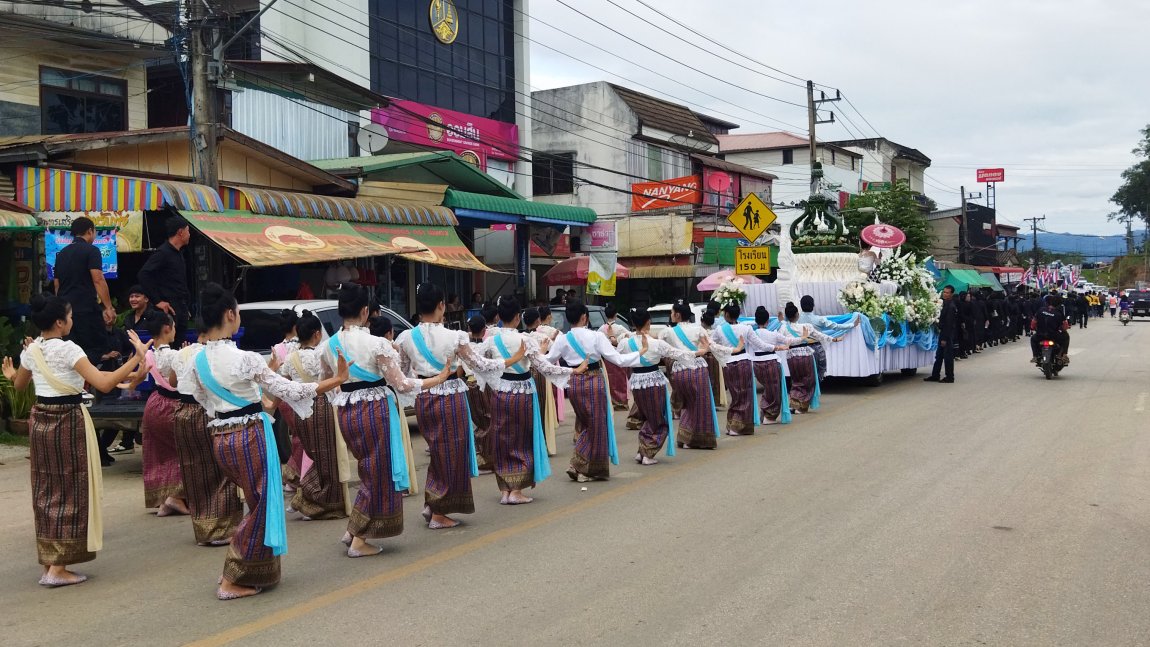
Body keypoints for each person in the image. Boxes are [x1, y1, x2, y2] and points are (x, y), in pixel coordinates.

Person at [182, 283, 351, 600]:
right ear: (230, 314)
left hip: (221, 436)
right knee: (262, 503)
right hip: (249, 437)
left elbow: (202, 397)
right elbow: (293, 391)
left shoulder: (197, 360)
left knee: (254, 502)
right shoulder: (244, 358)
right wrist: (337, 380)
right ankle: (234, 574)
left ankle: (246, 566)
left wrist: (242, 408)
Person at [2, 293, 150, 588]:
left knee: (46, 489)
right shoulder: (69, 349)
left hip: (41, 420)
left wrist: (9, 372)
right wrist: (136, 357)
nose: (72, 321)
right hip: (68, 420)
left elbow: (19, 385)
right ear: (59, 322)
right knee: (71, 488)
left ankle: (50, 561)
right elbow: (104, 383)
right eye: (69, 317)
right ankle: (58, 568)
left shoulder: (33, 350)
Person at [321, 286, 452, 558]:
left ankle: (353, 530)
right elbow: (402, 384)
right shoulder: (377, 344)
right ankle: (359, 539)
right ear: (365, 311)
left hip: (346, 410)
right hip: (374, 410)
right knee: (377, 473)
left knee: (367, 471)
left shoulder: (328, 346)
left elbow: (329, 382)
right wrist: (437, 380)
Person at [393, 283, 517, 529]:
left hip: (424, 397)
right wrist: (510, 360)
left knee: (437, 452)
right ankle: (439, 512)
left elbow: (404, 373)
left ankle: (433, 501)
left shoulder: (406, 337)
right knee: (452, 454)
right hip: (450, 397)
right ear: (442, 306)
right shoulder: (455, 336)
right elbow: (479, 364)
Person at [473, 296, 579, 503]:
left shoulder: (490, 340)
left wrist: (487, 381)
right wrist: (573, 370)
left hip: (499, 392)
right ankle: (516, 491)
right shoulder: (526, 340)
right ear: (516, 317)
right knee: (521, 440)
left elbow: (477, 364)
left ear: (500, 317)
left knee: (502, 440)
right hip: (522, 394)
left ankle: (505, 490)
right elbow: (545, 367)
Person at [544, 300, 646, 482]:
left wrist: (540, 352)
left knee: (585, 423)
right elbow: (618, 360)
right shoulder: (596, 337)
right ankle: (579, 466)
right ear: (584, 317)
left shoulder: (562, 339)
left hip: (574, 382)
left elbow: (547, 361)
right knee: (596, 425)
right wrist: (641, 352)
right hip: (593, 381)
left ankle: (585, 467)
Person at [277, 310, 348, 520]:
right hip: (321, 406)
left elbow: (283, 383)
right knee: (327, 457)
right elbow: (336, 379)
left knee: (312, 453)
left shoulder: (290, 358)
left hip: (300, 411)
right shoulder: (323, 354)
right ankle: (316, 501)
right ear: (317, 334)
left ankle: (310, 497)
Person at [620, 307, 707, 464]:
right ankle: (648, 453)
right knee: (660, 420)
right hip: (654, 383)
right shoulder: (656, 343)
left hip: (637, 383)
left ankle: (642, 450)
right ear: (649, 322)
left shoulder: (625, 343)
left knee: (648, 416)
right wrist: (701, 352)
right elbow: (678, 354)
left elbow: (617, 357)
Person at [132, 310, 189, 517]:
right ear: (167, 328)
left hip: (154, 404)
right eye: (173, 326)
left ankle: (164, 500)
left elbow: (138, 376)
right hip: (172, 405)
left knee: (159, 454)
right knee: (183, 450)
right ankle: (176, 496)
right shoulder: (174, 355)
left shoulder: (149, 354)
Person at [659, 300, 724, 450]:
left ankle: (685, 437)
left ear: (677, 315)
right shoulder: (698, 329)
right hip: (698, 368)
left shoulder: (668, 331)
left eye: (671, 312)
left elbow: (657, 346)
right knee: (700, 404)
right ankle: (697, 439)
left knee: (687, 404)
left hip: (679, 371)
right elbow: (710, 346)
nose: (671, 315)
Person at [712, 302, 783, 435]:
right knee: (745, 395)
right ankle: (738, 427)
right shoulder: (746, 328)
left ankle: (732, 424)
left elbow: (712, 344)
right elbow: (760, 344)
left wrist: (723, 354)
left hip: (728, 363)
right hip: (743, 363)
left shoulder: (719, 329)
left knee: (735, 395)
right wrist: (775, 347)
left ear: (726, 314)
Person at [53, 217, 115, 363]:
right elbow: (98, 279)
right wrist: (108, 307)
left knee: (71, 353)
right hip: (86, 310)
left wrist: (60, 308)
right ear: (90, 231)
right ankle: (97, 382)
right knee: (97, 351)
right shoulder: (92, 251)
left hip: (65, 312)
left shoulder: (61, 254)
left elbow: (57, 285)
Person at [138, 216, 192, 346]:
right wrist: (157, 301)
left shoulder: (178, 253)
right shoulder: (163, 253)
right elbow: (143, 274)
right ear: (180, 232)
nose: (189, 235)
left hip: (180, 308)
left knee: (180, 347)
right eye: (188, 231)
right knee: (169, 347)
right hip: (168, 310)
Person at [778, 303, 842, 412]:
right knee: (809, 380)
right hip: (805, 355)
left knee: (796, 380)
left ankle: (794, 404)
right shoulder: (806, 326)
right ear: (797, 315)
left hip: (791, 356)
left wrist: (782, 322)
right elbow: (820, 336)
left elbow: (780, 338)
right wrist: (834, 339)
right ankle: (802, 406)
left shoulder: (783, 327)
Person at [271, 309, 305, 492]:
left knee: (297, 437)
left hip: (284, 400)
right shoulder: (300, 347)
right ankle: (293, 476)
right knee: (302, 439)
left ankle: (295, 475)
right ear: (295, 326)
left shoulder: (277, 348)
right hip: (299, 397)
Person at [750, 306, 799, 424]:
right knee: (774, 390)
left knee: (768, 389)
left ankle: (764, 413)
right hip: (771, 363)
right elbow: (789, 340)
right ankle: (769, 416)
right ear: (768, 321)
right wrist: (802, 337)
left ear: (756, 321)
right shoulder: (772, 334)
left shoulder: (751, 333)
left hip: (756, 365)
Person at [797, 295, 858, 381]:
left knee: (803, 374)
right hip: (816, 348)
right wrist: (852, 324)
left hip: (800, 349)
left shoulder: (797, 319)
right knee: (819, 373)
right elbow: (836, 326)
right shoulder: (818, 319)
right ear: (813, 305)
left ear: (801, 305)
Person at [599, 303, 632, 411]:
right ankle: (621, 402)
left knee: (609, 379)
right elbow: (629, 336)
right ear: (616, 315)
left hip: (607, 358)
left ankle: (610, 402)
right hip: (619, 356)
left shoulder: (601, 329)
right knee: (621, 380)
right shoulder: (620, 328)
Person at [925, 286, 959, 383]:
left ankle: (949, 377)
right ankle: (935, 375)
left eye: (947, 293)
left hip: (947, 335)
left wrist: (944, 338)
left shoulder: (951, 306)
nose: (945, 294)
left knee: (947, 357)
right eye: (944, 292)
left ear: (951, 294)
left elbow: (948, 324)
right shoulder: (945, 304)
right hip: (943, 333)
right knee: (939, 356)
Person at [1031, 294, 1071, 364]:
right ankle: (1064, 355)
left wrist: (1034, 328)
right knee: (1066, 337)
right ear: (1059, 304)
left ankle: (1035, 356)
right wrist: (1063, 329)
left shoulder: (1041, 310)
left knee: (1033, 339)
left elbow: (1033, 323)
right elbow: (1065, 326)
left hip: (1040, 335)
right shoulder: (1059, 313)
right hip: (1054, 336)